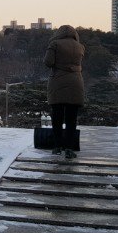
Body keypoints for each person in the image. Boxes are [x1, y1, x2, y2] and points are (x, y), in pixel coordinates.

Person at [44, 25, 85, 159]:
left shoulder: (54, 44)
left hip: (58, 82)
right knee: (71, 118)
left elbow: (48, 62)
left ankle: (57, 146)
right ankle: (69, 148)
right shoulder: (80, 47)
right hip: (76, 83)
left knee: (57, 116)